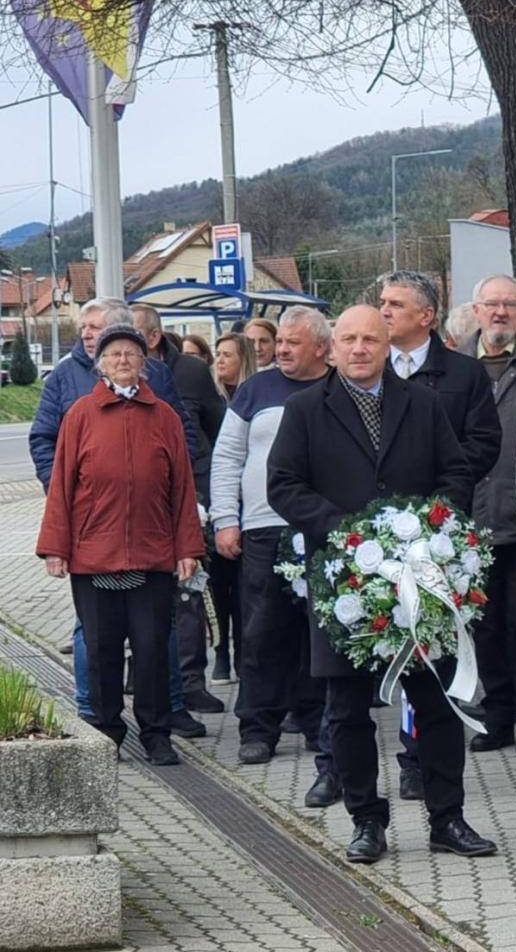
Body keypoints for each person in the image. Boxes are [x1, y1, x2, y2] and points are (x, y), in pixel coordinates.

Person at [267, 306, 497, 864]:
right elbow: (284, 486)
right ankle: (366, 820)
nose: (360, 349)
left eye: (370, 338)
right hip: (346, 585)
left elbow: (457, 473)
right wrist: (346, 534)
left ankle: (448, 819)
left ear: (387, 342)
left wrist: (430, 531)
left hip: (419, 579)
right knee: (347, 711)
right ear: (332, 348)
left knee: (437, 704)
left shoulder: (425, 404)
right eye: (349, 339)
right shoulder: (303, 410)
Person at [28, 297, 205, 741]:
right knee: (103, 649)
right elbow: (62, 486)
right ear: (100, 364)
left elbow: (182, 487)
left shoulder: (163, 416)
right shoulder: (80, 417)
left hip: (152, 553)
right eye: (112, 354)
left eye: (130, 353)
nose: (122, 360)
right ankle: (107, 731)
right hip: (93, 556)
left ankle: (157, 732)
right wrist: (55, 547)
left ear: (144, 362)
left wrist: (188, 548)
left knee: (151, 649)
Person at [378, 270, 502, 801]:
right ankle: (392, 756)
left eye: (394, 304)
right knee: (390, 640)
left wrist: (438, 496)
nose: (384, 312)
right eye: (380, 303)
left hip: (441, 533)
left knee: (436, 646)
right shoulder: (369, 371)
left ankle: (429, 760)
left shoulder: (463, 374)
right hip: (378, 536)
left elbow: (484, 444)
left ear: (426, 317)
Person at [210, 308, 331, 773]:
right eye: (278, 341)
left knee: (320, 630)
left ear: (320, 348)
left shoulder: (338, 388)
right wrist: (226, 519)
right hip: (263, 529)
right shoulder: (255, 389)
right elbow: (226, 459)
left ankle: (317, 718)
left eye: (291, 343)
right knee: (261, 632)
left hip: (321, 528)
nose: (278, 350)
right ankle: (258, 727)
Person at [460, 275, 516, 753]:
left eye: (509, 305)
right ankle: (496, 715)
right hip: (472, 521)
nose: (500, 313)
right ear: (476, 311)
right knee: (485, 624)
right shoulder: (455, 362)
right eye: (491, 304)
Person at [132, 304, 226, 715]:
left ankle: (190, 682)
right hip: (134, 509)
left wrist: (202, 496)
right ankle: (144, 677)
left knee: (188, 594)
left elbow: (214, 432)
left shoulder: (188, 372)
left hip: (187, 497)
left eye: (130, 336)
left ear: (151, 338)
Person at [214, 333, 256, 401]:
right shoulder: (209, 393)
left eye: (227, 355)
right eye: (217, 355)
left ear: (243, 359)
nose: (220, 360)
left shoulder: (257, 394)